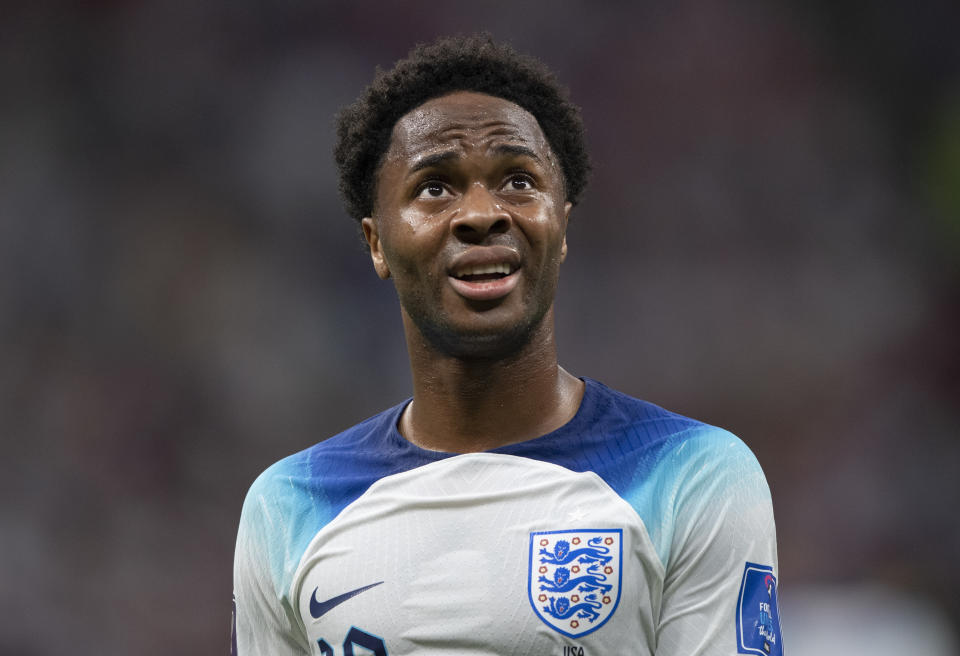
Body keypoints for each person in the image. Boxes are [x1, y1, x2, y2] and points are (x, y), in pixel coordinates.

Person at [232, 34, 783, 656]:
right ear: (376, 243)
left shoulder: (695, 475)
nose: (480, 212)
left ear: (562, 224)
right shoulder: (288, 505)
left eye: (518, 180)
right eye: (435, 187)